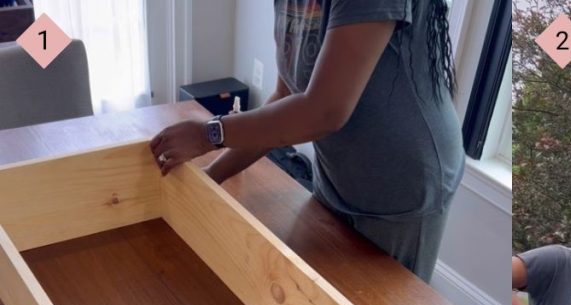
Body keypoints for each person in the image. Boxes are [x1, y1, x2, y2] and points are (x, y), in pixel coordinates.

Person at [148, 0, 464, 283]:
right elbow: (285, 98)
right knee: (310, 293)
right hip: (337, 176)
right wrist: (209, 178)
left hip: (402, 186)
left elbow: (324, 111)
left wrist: (210, 133)